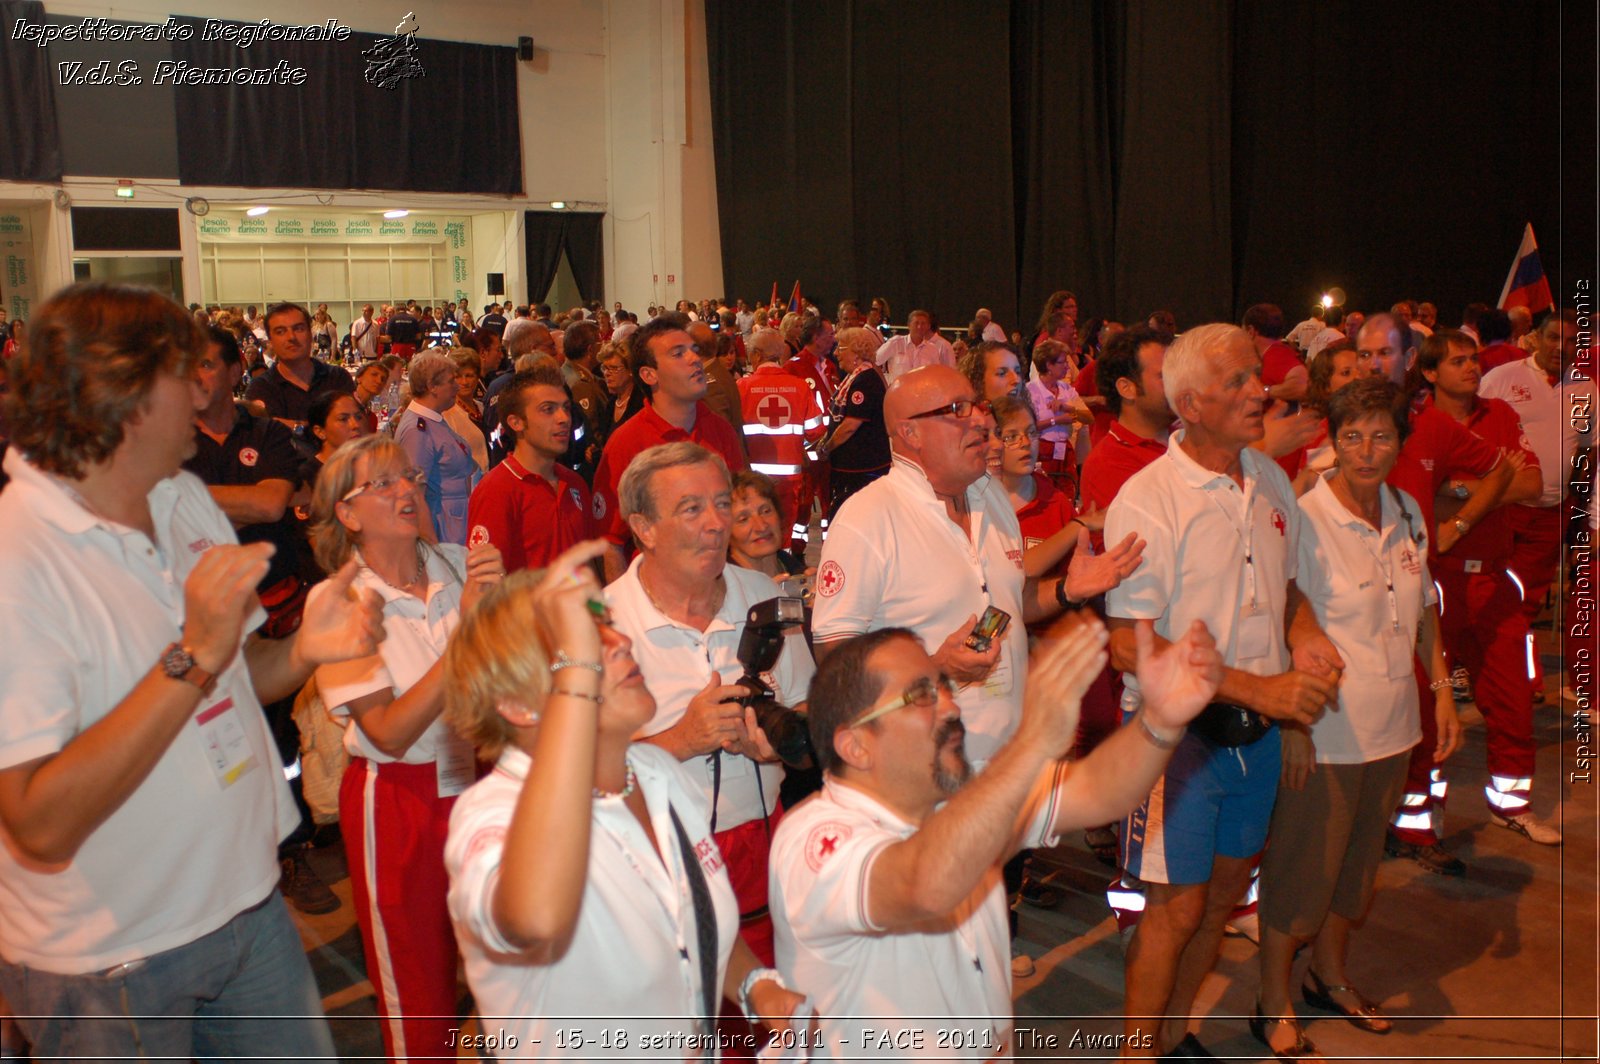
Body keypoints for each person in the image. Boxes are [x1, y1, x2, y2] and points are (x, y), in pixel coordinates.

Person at [0, 281, 382, 1059]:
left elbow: (242, 674)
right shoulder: (20, 561)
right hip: (114, 960)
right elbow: (39, 823)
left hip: (247, 907)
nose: (212, 389)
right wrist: (194, 657)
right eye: (191, 373)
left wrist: (305, 648)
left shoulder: (180, 498)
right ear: (131, 397)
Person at [772, 610, 1223, 1058]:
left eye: (944, 687)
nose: (951, 706)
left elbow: (1098, 790)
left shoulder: (964, 796)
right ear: (856, 745)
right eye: (922, 695)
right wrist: (1033, 741)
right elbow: (924, 882)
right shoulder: (811, 840)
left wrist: (1160, 722)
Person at [443, 544, 810, 1056]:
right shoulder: (492, 816)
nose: (618, 642)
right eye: (580, 643)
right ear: (516, 704)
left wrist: (757, 989)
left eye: (606, 625)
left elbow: (688, 929)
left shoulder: (657, 775)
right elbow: (536, 918)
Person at [1103, 323, 1344, 1059]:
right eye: (1239, 380)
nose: (1260, 390)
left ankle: (1174, 1041)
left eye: (1256, 376)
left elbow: (1287, 587)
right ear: (1191, 403)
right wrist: (1262, 691)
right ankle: (1137, 1053)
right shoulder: (1148, 499)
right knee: (1173, 915)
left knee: (1218, 903)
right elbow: (1126, 642)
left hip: (1257, 743)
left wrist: (1303, 633)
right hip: (1177, 743)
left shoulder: (1269, 479)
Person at [1256, 378, 1461, 1060]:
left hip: (1396, 725)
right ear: (1331, 443)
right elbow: (1281, 617)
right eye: (1351, 436)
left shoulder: (1405, 510)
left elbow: (1424, 609)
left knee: (1357, 868)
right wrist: (1291, 721)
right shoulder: (1306, 522)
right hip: (1328, 729)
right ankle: (1271, 997)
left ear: (1401, 442)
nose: (1366, 451)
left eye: (1381, 435)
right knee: (1302, 870)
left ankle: (1330, 975)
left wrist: (1441, 691)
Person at [309, 433, 505, 1062]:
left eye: (411, 479)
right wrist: (471, 633)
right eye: (385, 483)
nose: (407, 491)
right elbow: (388, 729)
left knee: (505, 972)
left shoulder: (453, 563)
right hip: (399, 802)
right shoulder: (338, 601)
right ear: (346, 511)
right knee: (416, 993)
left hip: (479, 784)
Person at [604, 443, 816, 972]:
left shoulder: (763, 594)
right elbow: (568, 775)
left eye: (722, 503)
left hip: (765, 844)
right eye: (692, 508)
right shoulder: (598, 624)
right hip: (652, 862)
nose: (718, 523)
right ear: (644, 527)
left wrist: (780, 745)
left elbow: (808, 706)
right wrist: (680, 741)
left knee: (771, 1029)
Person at [1419, 330, 1555, 841]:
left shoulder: (1499, 415)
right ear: (1430, 373)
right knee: (1429, 704)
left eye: (1473, 358)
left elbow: (1532, 483)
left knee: (1514, 697)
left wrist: (1460, 491)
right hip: (1437, 581)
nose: (1471, 367)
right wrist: (1494, 484)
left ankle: (1511, 803)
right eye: (1457, 361)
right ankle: (1418, 815)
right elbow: (1421, 502)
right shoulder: (1418, 425)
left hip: (1496, 581)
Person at [593, 318, 746, 582]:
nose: (694, 359)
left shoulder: (720, 431)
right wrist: (621, 615)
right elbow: (610, 542)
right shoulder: (626, 443)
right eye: (678, 353)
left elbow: (741, 514)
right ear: (649, 375)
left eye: (694, 350)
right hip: (654, 603)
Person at [467, 364, 597, 574]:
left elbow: (586, 566)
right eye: (548, 409)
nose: (563, 418)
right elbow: (485, 588)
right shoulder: (496, 492)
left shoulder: (575, 484)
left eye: (566, 407)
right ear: (516, 422)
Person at [739, 329, 825, 549]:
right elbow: (816, 430)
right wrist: (798, 447)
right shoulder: (799, 386)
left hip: (752, 479)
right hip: (790, 479)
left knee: (755, 535)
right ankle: (783, 580)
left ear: (757, 355)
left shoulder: (742, 387)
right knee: (783, 535)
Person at [393, 349, 479, 545]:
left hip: (455, 526)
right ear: (432, 386)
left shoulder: (432, 419)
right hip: (443, 533)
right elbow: (413, 495)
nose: (457, 386)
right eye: (451, 381)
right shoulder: (417, 431)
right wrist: (432, 552)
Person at [245, 302, 356, 431]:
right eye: (280, 331)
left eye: (298, 329)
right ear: (270, 341)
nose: (291, 337)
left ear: (311, 335)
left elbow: (354, 429)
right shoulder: (260, 389)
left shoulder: (337, 378)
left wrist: (289, 426)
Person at [821, 325, 891, 516]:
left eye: (841, 348)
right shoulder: (854, 377)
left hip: (861, 468)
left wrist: (827, 448)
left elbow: (850, 425)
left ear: (856, 353)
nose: (836, 353)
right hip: (851, 466)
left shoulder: (864, 381)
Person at [728, 469, 811, 596]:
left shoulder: (799, 577)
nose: (761, 526)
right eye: (743, 519)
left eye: (766, 511)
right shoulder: (718, 594)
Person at [1028, 339, 1092, 494]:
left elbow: (1089, 418)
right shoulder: (1030, 390)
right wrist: (1056, 420)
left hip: (1065, 449)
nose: (1067, 366)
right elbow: (1027, 427)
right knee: (1044, 493)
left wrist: (1067, 407)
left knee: (1068, 493)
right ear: (1049, 365)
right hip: (1042, 450)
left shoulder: (1066, 389)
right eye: (1062, 362)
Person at [875, 309, 954, 383]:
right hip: (897, 394)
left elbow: (935, 375)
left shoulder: (932, 350)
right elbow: (875, 362)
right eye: (916, 323)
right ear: (909, 325)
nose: (919, 327)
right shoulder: (895, 343)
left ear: (928, 326)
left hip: (921, 395)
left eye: (923, 324)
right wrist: (884, 384)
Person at [443, 348, 490, 473]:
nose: (464, 382)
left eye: (469, 376)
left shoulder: (482, 408)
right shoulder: (446, 413)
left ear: (477, 377)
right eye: (458, 377)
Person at [352, 358, 391, 435]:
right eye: (374, 374)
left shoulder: (372, 418)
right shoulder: (345, 406)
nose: (379, 381)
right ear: (359, 378)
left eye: (383, 379)